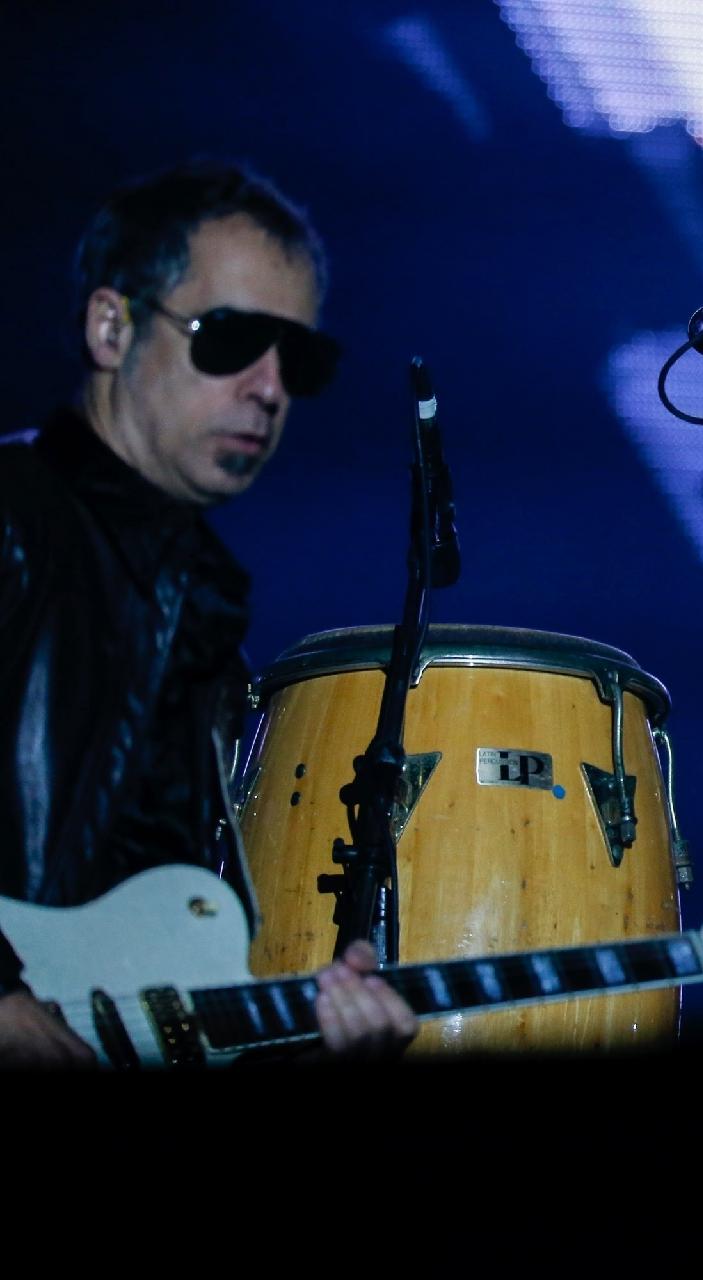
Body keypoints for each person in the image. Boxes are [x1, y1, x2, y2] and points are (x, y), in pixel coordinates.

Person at [0, 162, 417, 1066]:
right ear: (111, 327)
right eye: (229, 340)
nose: (269, 389)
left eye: (299, 359)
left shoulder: (206, 623)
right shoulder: (14, 515)